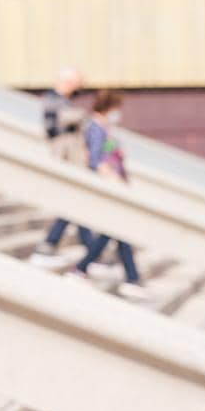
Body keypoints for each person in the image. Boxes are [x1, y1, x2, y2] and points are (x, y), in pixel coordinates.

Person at [66, 89, 152, 300]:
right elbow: (95, 160)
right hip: (108, 187)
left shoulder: (104, 128)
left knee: (117, 230)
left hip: (114, 185)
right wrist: (113, 180)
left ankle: (130, 277)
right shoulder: (95, 128)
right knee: (115, 229)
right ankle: (85, 269)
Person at [27, 67, 88, 269]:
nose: (80, 88)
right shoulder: (53, 101)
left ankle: (89, 252)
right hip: (64, 163)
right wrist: (79, 117)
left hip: (69, 163)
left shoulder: (61, 103)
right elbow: (54, 128)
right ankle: (49, 245)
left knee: (76, 208)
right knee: (71, 207)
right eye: (78, 83)